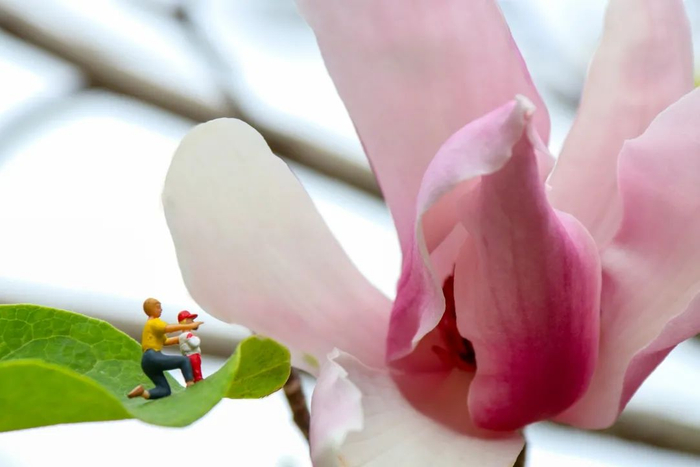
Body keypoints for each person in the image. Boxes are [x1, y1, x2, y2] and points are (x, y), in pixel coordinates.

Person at [127, 298, 203, 400]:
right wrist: (189, 325)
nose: (161, 309)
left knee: (165, 390)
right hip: (153, 356)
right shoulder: (154, 322)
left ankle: (143, 393)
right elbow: (168, 328)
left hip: (146, 363)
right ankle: (191, 385)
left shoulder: (151, 327)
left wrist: (182, 337)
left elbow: (165, 341)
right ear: (151, 309)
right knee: (184, 360)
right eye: (158, 307)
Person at [177, 310, 203, 382]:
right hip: (193, 356)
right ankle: (199, 381)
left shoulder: (181, 336)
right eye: (191, 320)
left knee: (192, 373)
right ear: (185, 321)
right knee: (197, 372)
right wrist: (197, 338)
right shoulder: (188, 334)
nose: (193, 322)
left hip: (187, 356)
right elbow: (194, 344)